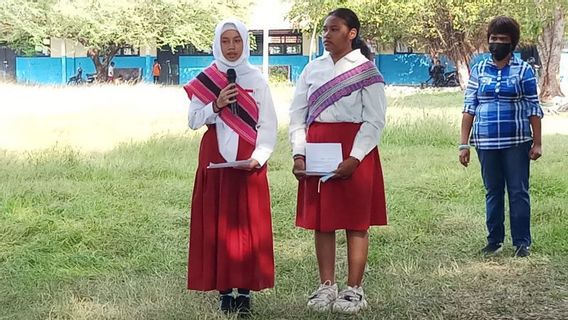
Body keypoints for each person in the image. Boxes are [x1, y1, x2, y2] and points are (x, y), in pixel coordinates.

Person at [289, 8, 387, 315]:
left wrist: (355, 157)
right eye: (325, 30)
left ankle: (353, 289)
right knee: (324, 220)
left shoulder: (366, 71)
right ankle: (326, 285)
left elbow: (374, 120)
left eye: (334, 30)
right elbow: (297, 114)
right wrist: (298, 152)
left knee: (356, 222)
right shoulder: (312, 69)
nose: (326, 36)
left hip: (355, 151)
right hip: (318, 148)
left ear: (351, 33)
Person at [183, 18, 277, 316]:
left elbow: (268, 124)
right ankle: (224, 291)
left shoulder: (256, 79)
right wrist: (216, 104)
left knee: (248, 225)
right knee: (219, 223)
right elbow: (193, 120)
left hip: (248, 162)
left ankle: (245, 292)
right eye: (226, 41)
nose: (232, 47)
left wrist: (259, 156)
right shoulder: (207, 78)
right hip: (215, 161)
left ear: (245, 42)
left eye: (237, 40)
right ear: (217, 44)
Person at [459, 16, 543, 258]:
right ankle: (494, 241)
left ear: (512, 43)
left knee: (518, 191)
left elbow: (533, 108)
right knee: (493, 191)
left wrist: (537, 142)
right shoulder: (478, 69)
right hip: (485, 143)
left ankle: (522, 243)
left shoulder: (524, 70)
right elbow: (469, 108)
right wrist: (463, 144)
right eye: (493, 39)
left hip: (517, 142)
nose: (497, 43)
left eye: (503, 39)